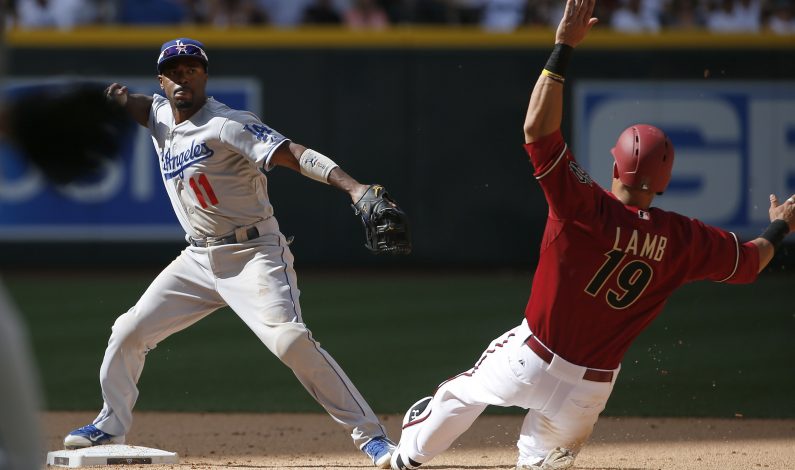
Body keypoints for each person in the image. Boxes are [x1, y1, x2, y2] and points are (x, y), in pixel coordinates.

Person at [389, 0, 795, 469]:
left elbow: (536, 130)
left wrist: (563, 46)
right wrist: (781, 221)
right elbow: (750, 262)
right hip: (591, 389)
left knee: (459, 397)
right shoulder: (682, 238)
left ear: (615, 165)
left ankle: (406, 458)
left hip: (529, 359)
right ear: (663, 181)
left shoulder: (583, 205)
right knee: (544, 460)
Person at [61, 38, 404, 469]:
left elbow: (293, 153)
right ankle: (111, 423)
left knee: (289, 339)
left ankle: (371, 438)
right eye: (173, 69)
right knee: (128, 331)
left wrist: (355, 189)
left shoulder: (228, 124)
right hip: (197, 260)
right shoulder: (160, 113)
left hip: (255, 253)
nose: (182, 75)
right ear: (161, 80)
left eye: (192, 68)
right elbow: (136, 105)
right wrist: (113, 97)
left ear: (204, 75)